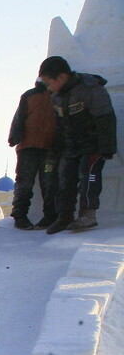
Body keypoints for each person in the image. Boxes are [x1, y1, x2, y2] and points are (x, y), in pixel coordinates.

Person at [39, 55, 117, 234]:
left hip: (93, 144)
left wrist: (107, 147)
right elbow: (59, 125)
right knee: (65, 180)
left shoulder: (90, 89)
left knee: (88, 177)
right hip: (71, 145)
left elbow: (105, 117)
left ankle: (87, 215)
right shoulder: (56, 98)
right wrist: (56, 146)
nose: (48, 88)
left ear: (61, 77)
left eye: (49, 83)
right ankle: (64, 216)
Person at [8, 79, 58, 230]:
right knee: (24, 182)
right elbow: (19, 117)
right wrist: (14, 136)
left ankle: (50, 215)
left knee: (49, 183)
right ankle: (20, 215)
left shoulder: (59, 96)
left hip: (50, 148)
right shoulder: (29, 95)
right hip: (27, 146)